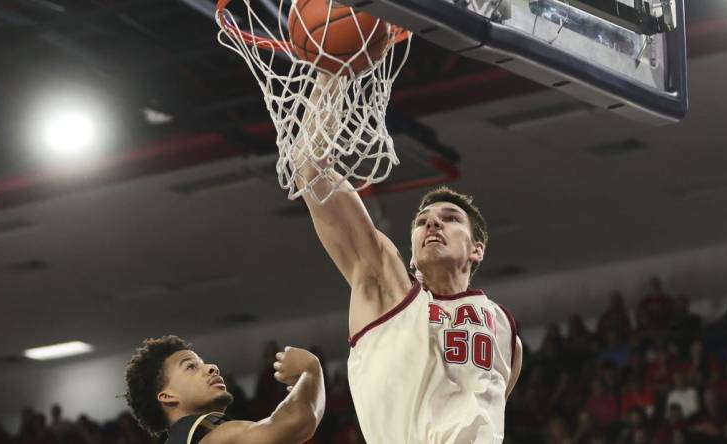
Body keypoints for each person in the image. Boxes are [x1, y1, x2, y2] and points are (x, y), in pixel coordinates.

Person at [288, 73, 523, 443]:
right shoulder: (384, 283)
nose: (433, 224)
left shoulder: (504, 329)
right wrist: (331, 75)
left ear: (477, 248)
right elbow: (311, 168)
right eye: (423, 221)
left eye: (450, 219)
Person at [123, 335, 325, 444]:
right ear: (168, 396)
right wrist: (311, 369)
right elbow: (296, 423)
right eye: (191, 366)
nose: (211, 367)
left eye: (202, 363)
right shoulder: (217, 438)